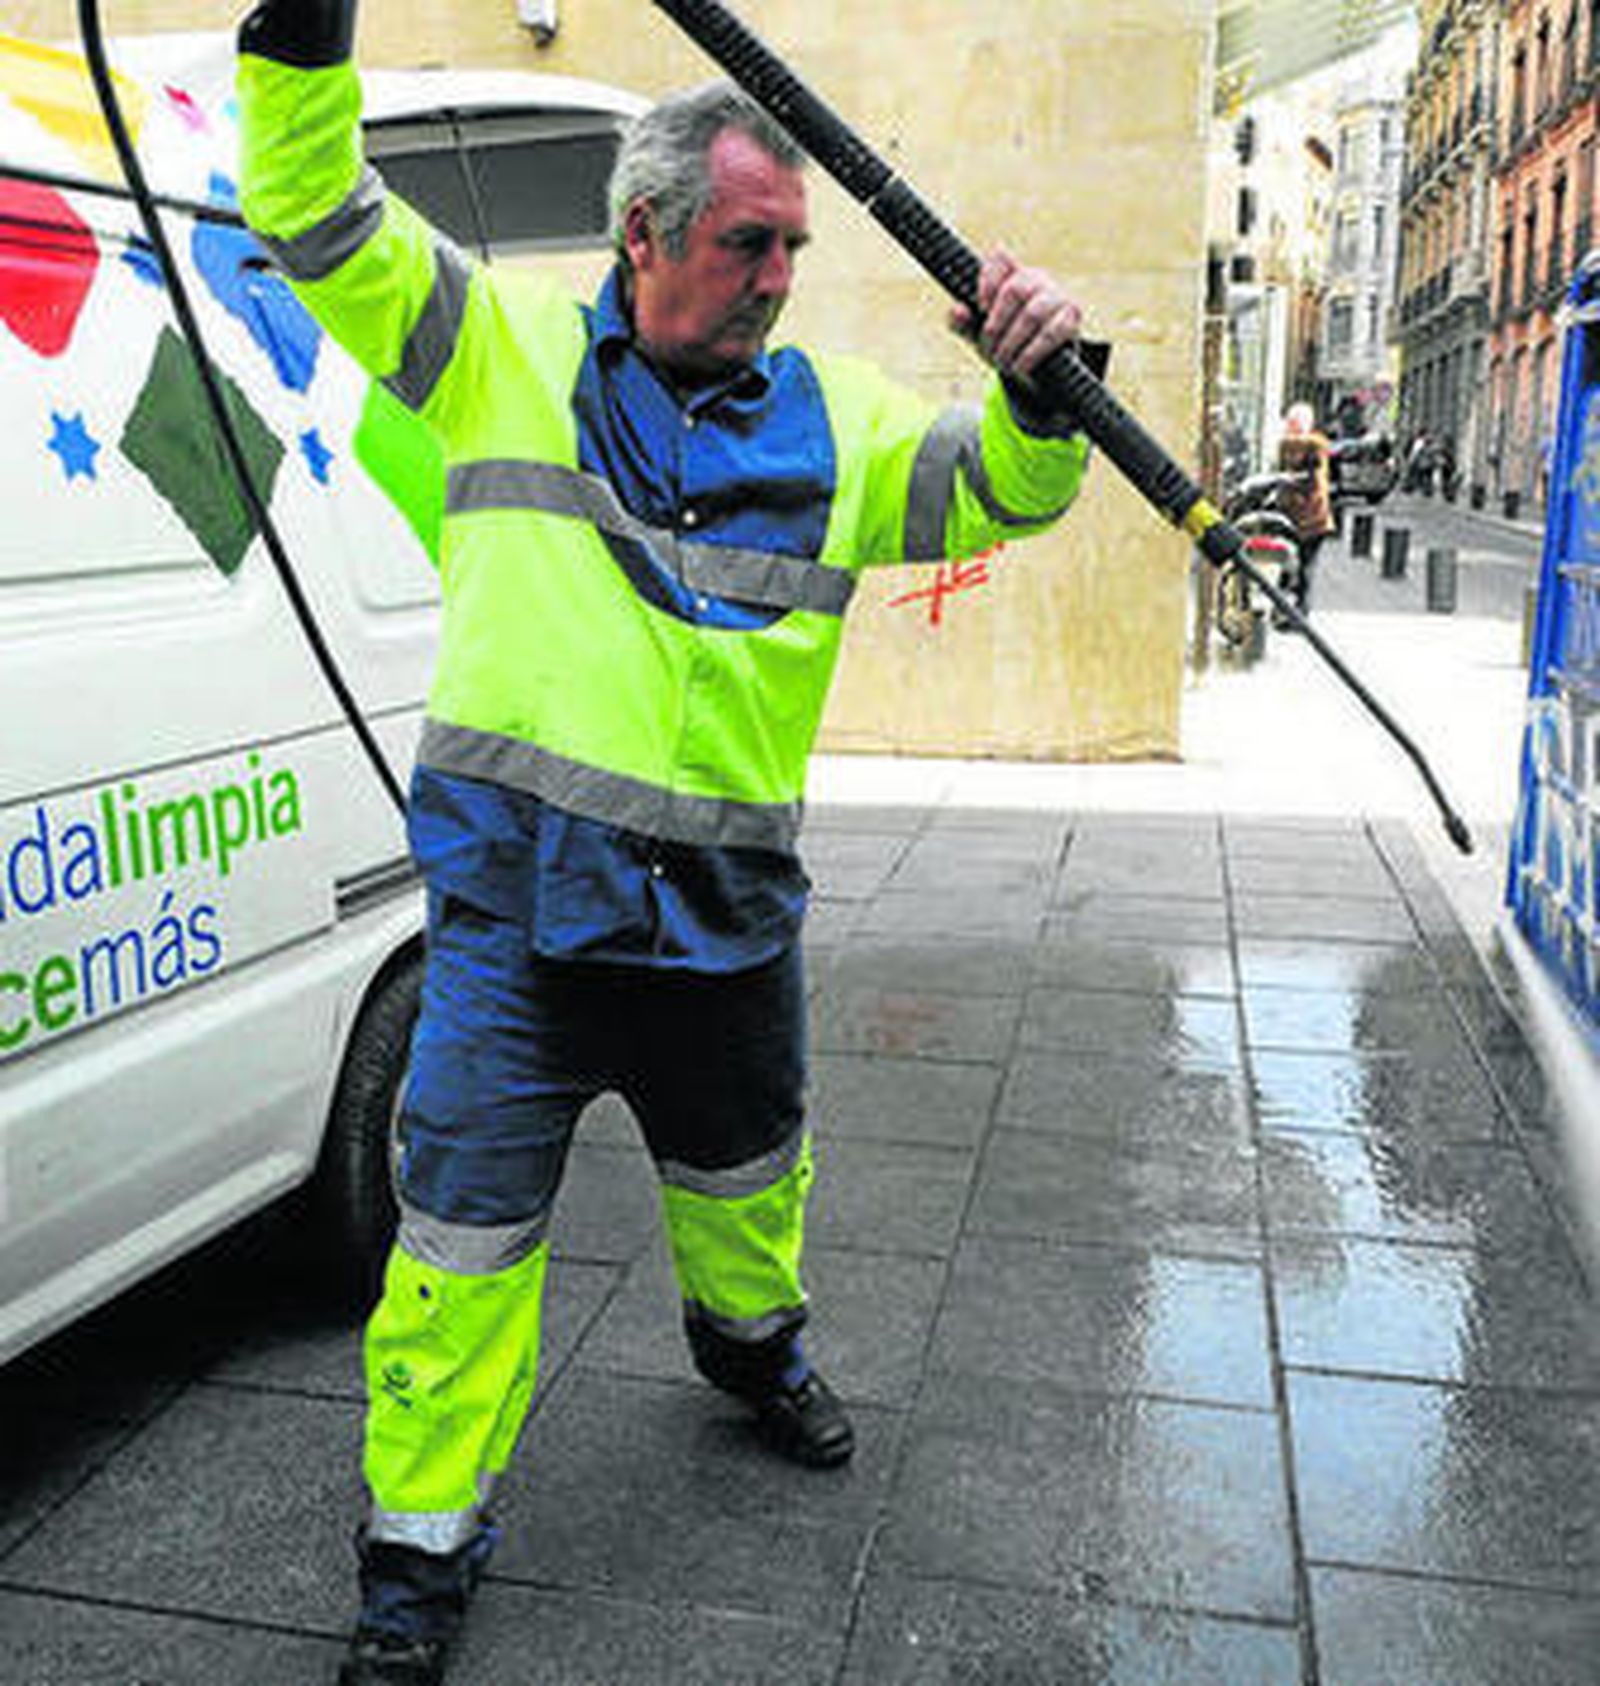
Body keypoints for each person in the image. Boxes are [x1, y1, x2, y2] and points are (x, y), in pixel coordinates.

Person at [235, 4, 1094, 1681]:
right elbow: (315, 212)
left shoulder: (834, 424)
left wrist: (1040, 393)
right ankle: (417, 1555)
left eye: (795, 246)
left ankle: (752, 1345)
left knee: (750, 1176)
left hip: (727, 925)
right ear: (647, 234)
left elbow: (995, 489)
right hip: (516, 937)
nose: (779, 276)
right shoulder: (494, 352)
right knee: (461, 1247)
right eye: (749, 243)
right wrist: (301, 37)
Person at [1275, 402, 1334, 618]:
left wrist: (1290, 482)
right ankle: (1290, 608)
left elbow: (1315, 479)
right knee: (1293, 564)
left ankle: (1300, 613)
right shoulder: (1288, 445)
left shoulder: (1313, 445)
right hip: (1293, 514)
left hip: (1312, 517)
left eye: (1293, 423)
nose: (1290, 427)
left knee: (1306, 566)